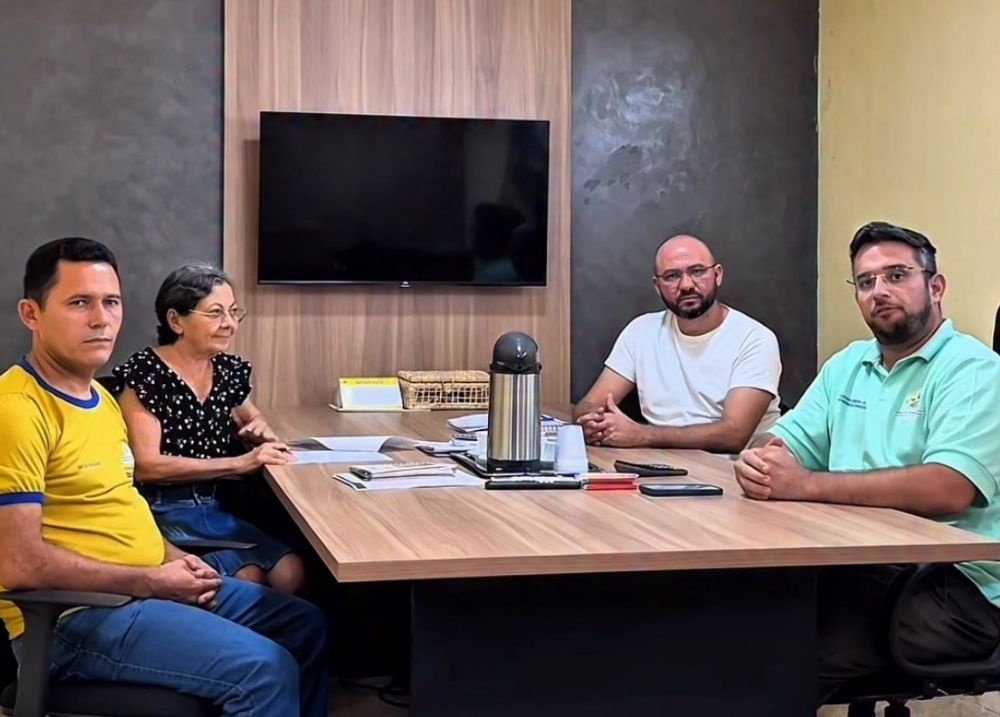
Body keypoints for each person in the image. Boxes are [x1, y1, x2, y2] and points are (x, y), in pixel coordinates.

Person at [0, 238, 328, 716]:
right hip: (74, 618)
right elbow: (19, 565)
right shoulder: (17, 409)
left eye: (111, 302)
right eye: (79, 303)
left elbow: (120, 512)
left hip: (139, 588)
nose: (101, 319)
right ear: (31, 314)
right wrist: (150, 580)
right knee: (265, 668)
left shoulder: (99, 399)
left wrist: (176, 559)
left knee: (305, 625)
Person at [732, 221, 1000, 705]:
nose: (879, 291)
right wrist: (762, 459)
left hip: (957, 588)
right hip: (856, 561)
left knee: (778, 649)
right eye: (866, 281)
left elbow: (950, 487)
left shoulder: (974, 371)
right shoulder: (849, 364)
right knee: (733, 609)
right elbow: (784, 442)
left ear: (935, 287)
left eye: (897, 275)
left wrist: (806, 484)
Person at [113, 263, 304, 594]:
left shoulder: (227, 369)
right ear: (176, 321)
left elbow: (252, 418)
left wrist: (257, 429)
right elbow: (147, 466)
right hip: (162, 512)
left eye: (233, 312)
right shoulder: (146, 375)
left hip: (216, 507)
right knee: (250, 579)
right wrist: (239, 463)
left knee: (291, 570)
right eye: (216, 313)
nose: (229, 324)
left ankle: (282, 643)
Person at [574, 234, 782, 453]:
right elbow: (589, 405)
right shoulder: (641, 331)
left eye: (697, 271)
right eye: (672, 276)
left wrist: (640, 434)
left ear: (717, 275)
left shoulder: (755, 339)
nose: (686, 285)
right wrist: (590, 423)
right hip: (661, 462)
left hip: (732, 470)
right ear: (657, 286)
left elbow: (734, 435)